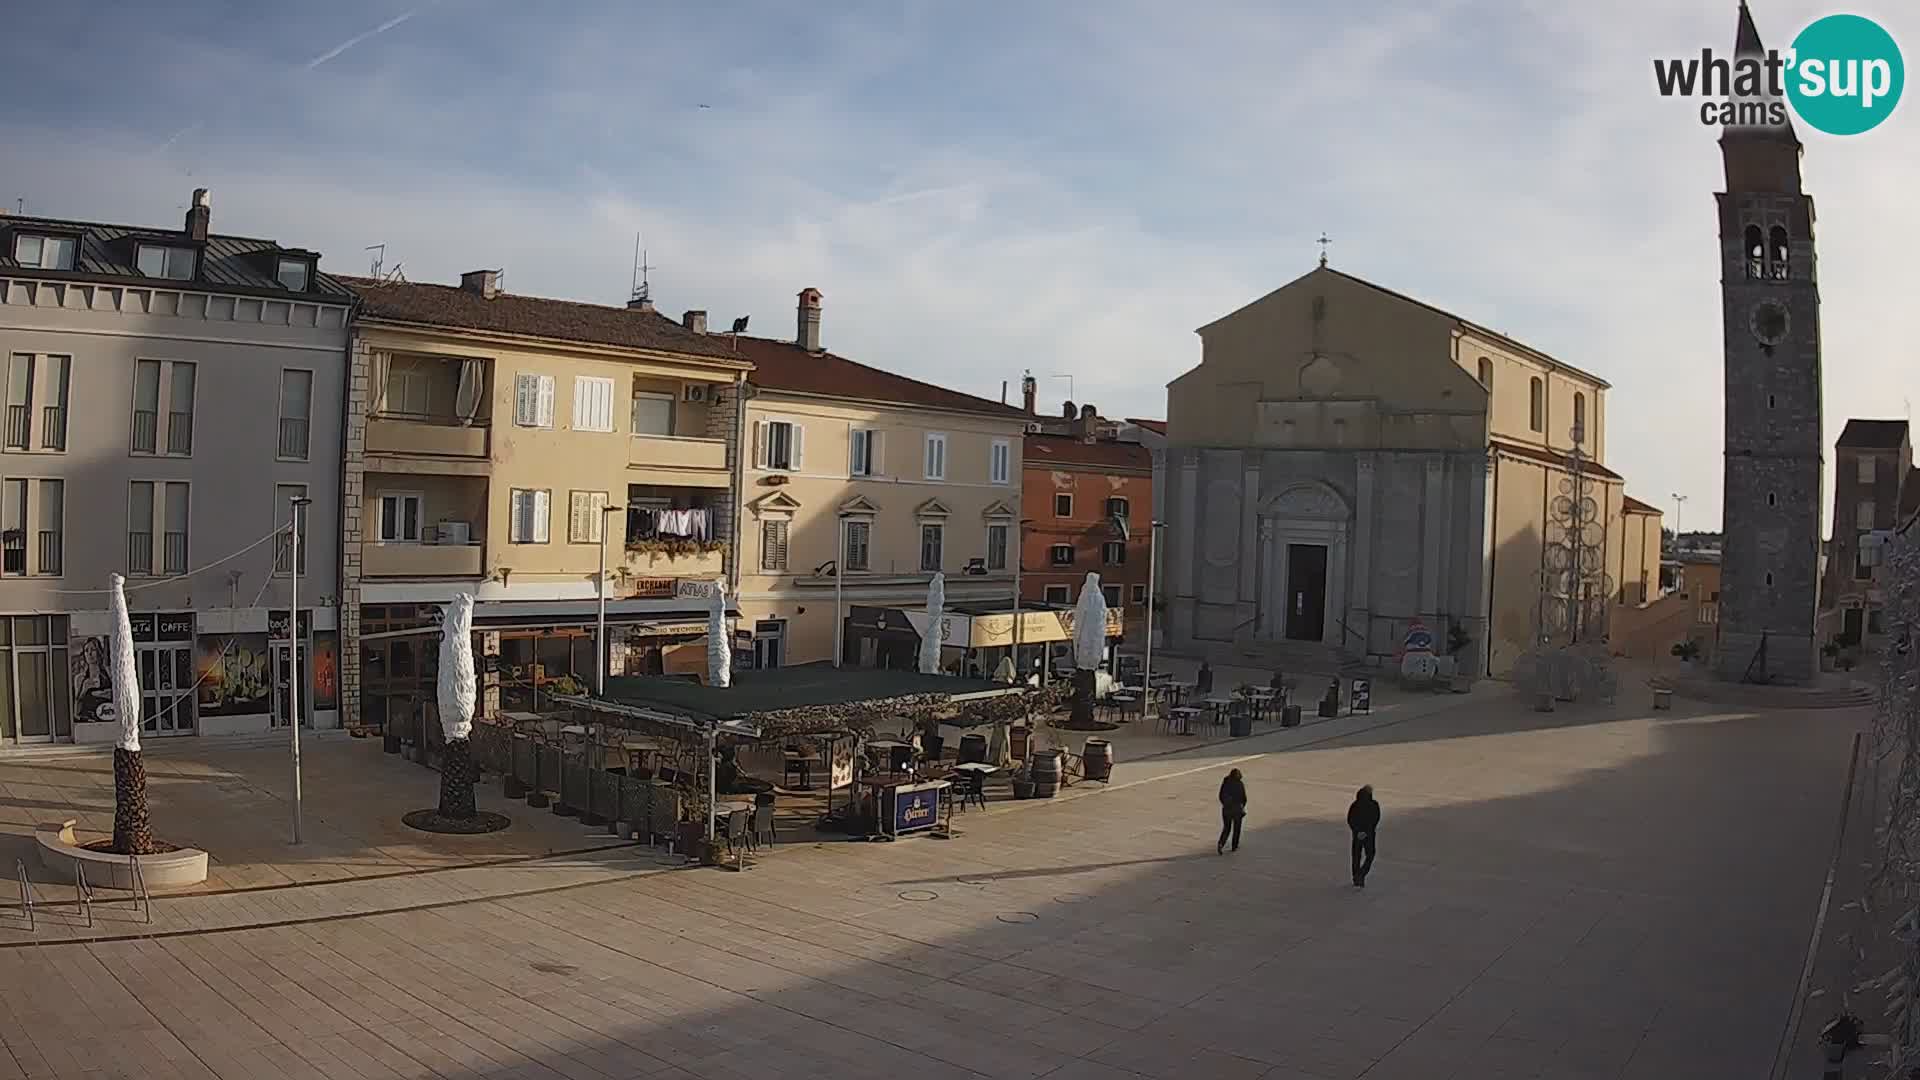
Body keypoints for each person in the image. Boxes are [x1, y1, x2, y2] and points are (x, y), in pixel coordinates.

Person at [1347, 784, 1381, 886]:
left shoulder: (1355, 805)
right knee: (1370, 854)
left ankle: (1356, 876)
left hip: (1357, 834)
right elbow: (1375, 819)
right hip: (1369, 834)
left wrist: (1357, 831)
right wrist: (1367, 831)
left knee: (1356, 856)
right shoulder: (1374, 804)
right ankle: (1361, 874)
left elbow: (1350, 819)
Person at [1217, 768, 1247, 854]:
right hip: (1237, 810)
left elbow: (1220, 796)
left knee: (1227, 828)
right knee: (1236, 829)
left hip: (1226, 810)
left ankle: (1221, 843)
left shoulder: (1225, 783)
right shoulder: (1240, 784)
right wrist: (1242, 806)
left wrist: (1225, 804)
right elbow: (1244, 798)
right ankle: (1234, 846)